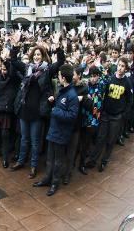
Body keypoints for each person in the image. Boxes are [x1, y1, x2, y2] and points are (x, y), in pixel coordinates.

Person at [10, 32, 65, 179]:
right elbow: (14, 61)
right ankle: (21, 161)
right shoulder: (27, 68)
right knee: (24, 138)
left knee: (35, 141)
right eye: (35, 55)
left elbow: (60, 63)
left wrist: (58, 47)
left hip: (38, 111)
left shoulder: (47, 71)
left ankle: (33, 166)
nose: (36, 57)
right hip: (24, 109)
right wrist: (15, 46)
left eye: (39, 55)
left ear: (43, 56)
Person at [33, 64, 79, 196]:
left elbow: (71, 116)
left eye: (59, 75)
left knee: (58, 160)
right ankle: (47, 179)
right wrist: (53, 103)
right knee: (50, 158)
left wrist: (56, 110)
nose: (57, 77)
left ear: (63, 78)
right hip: (54, 130)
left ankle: (55, 182)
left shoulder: (72, 95)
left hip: (62, 133)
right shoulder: (62, 90)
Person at [85, 57, 133, 172]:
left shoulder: (127, 82)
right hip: (106, 114)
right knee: (101, 138)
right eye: (119, 65)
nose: (120, 68)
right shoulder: (110, 78)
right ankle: (92, 160)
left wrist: (123, 114)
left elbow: (129, 100)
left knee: (111, 140)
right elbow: (102, 92)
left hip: (117, 117)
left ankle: (104, 161)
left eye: (123, 66)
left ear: (126, 69)